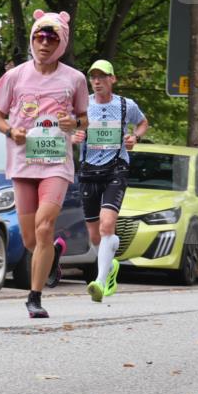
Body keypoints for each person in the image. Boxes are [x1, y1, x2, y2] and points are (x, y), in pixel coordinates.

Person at [0, 10, 89, 318]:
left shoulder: (75, 79)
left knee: (45, 227)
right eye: (39, 37)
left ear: (61, 42)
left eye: (52, 38)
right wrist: (10, 130)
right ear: (32, 39)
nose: (44, 43)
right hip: (22, 162)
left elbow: (84, 117)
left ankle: (34, 297)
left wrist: (74, 122)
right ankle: (53, 253)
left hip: (56, 162)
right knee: (32, 239)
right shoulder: (16, 75)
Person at [73, 60, 149, 302]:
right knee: (96, 236)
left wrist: (134, 137)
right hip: (88, 171)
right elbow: (68, 128)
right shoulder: (83, 106)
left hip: (116, 169)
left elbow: (143, 122)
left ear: (112, 79)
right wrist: (74, 135)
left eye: (102, 77)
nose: (97, 81)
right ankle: (112, 266)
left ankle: (100, 282)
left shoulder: (126, 105)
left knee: (107, 226)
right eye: (93, 77)